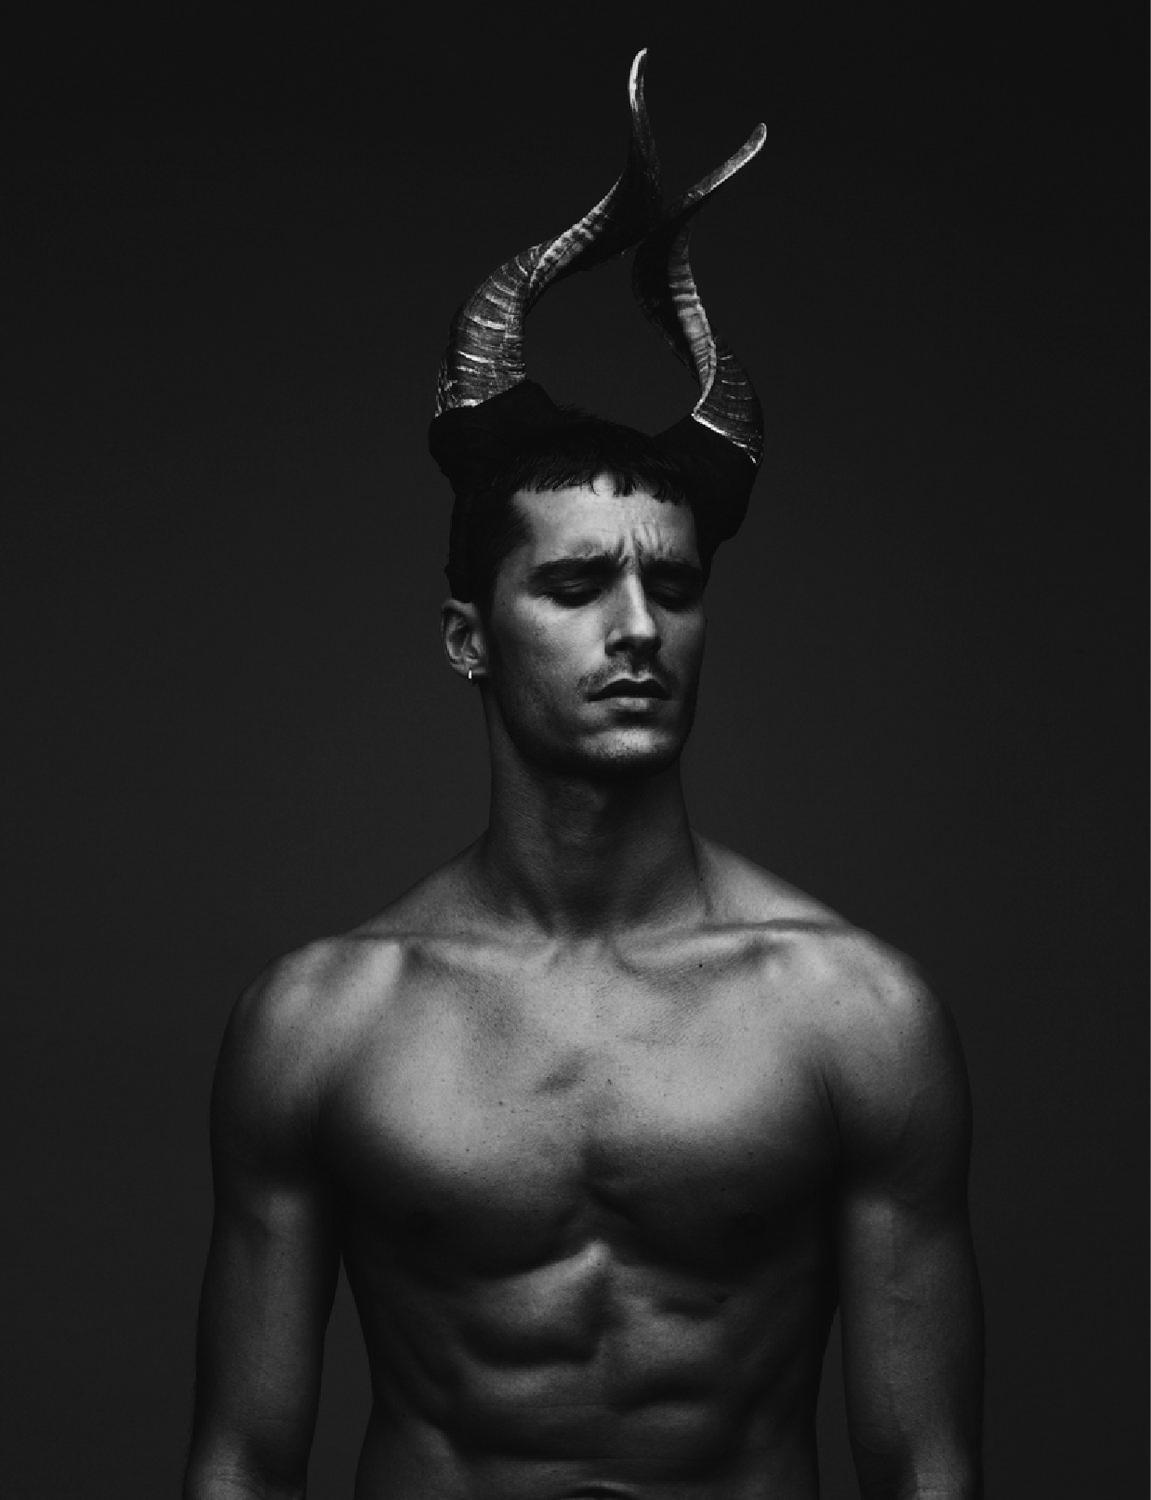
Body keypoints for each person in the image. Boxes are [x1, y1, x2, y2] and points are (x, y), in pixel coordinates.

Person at [184, 50, 983, 1500]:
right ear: (467, 639)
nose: (637, 630)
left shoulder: (857, 1016)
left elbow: (927, 1467)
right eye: (572, 586)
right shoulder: (321, 1024)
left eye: (672, 588)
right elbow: (241, 1459)